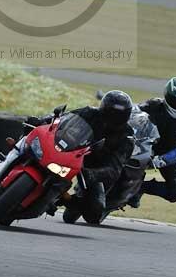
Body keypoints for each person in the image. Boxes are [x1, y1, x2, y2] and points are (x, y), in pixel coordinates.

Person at [52, 90, 135, 224]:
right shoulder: (89, 112)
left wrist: (91, 174)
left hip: (93, 167)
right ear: (103, 108)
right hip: (70, 150)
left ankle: (68, 199)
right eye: (111, 112)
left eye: (119, 115)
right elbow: (63, 119)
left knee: (94, 213)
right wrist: (43, 120)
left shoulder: (127, 137)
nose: (113, 118)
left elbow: (114, 169)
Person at [129, 77, 176, 208]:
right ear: (167, 96)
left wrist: (159, 161)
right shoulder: (154, 104)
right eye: (175, 100)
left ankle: (141, 187)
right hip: (143, 145)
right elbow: (133, 113)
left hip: (167, 156)